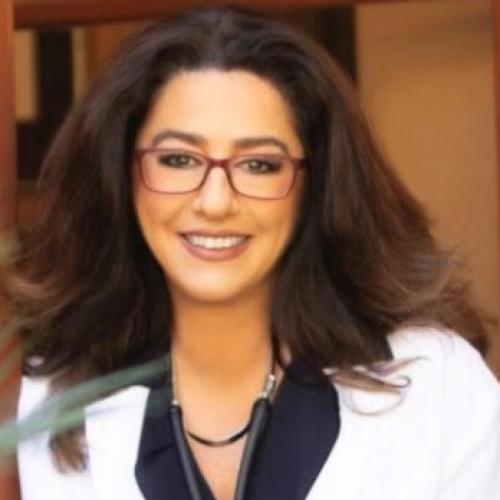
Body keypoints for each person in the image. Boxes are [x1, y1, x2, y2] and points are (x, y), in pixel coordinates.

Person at [4, 5, 499, 500]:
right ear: (121, 174)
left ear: (315, 186)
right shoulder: (44, 395)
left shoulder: (435, 383)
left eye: (259, 165)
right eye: (177, 159)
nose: (215, 202)